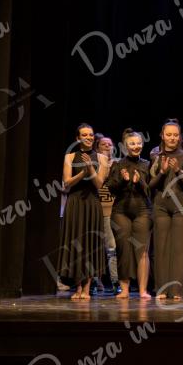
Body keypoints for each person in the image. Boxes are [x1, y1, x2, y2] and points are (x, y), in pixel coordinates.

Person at [58, 123, 110, 300]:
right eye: (85, 135)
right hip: (75, 202)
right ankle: (77, 287)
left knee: (90, 243)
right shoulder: (70, 156)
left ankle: (87, 288)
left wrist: (91, 169)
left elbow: (99, 184)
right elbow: (66, 183)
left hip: (92, 203)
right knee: (75, 241)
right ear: (77, 138)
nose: (88, 137)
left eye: (91, 135)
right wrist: (82, 173)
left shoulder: (102, 158)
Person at [149, 120, 183, 300]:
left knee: (180, 248)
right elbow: (151, 185)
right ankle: (162, 288)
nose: (172, 138)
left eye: (175, 135)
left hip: (181, 204)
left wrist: (178, 171)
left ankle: (177, 290)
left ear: (179, 137)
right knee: (161, 248)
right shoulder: (156, 156)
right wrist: (162, 171)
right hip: (161, 205)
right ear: (162, 136)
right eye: (169, 135)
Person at [106, 129, 153, 299]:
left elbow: (151, 190)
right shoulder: (118, 165)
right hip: (121, 211)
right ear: (125, 146)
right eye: (132, 143)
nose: (136, 146)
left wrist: (139, 182)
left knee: (142, 250)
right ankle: (124, 289)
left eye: (139, 143)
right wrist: (123, 180)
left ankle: (142, 290)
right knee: (123, 249)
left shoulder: (147, 164)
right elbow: (110, 188)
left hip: (143, 210)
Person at [95, 135, 120, 295]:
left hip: (114, 209)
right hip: (97, 208)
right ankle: (94, 281)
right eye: (103, 144)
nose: (107, 146)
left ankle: (116, 281)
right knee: (95, 247)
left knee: (112, 247)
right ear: (98, 147)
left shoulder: (117, 164)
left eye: (110, 144)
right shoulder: (95, 164)